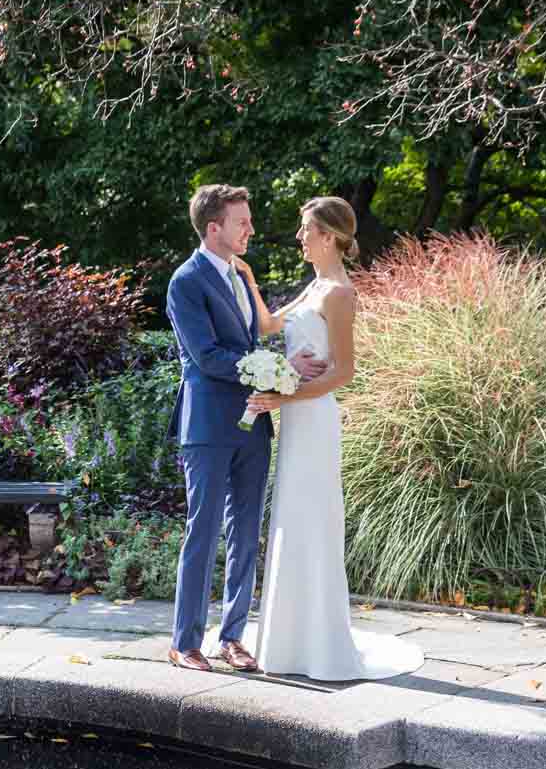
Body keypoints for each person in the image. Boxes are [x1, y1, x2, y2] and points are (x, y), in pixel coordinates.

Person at [236, 197, 424, 680]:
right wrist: (251, 280)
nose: (299, 237)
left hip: (315, 419)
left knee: (312, 518)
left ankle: (319, 645)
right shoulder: (315, 285)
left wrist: (286, 397)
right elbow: (267, 326)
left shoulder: (340, 293)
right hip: (298, 418)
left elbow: (344, 372)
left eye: (305, 229)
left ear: (328, 236)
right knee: (292, 518)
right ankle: (290, 642)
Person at [166, 185, 327, 672]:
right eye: (242, 222)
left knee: (246, 534)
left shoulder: (239, 274)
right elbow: (207, 357)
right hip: (209, 425)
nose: (251, 229)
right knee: (205, 530)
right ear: (213, 228)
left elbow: (254, 335)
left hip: (254, 424)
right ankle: (184, 642)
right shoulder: (185, 281)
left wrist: (278, 371)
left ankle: (231, 637)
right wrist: (280, 369)